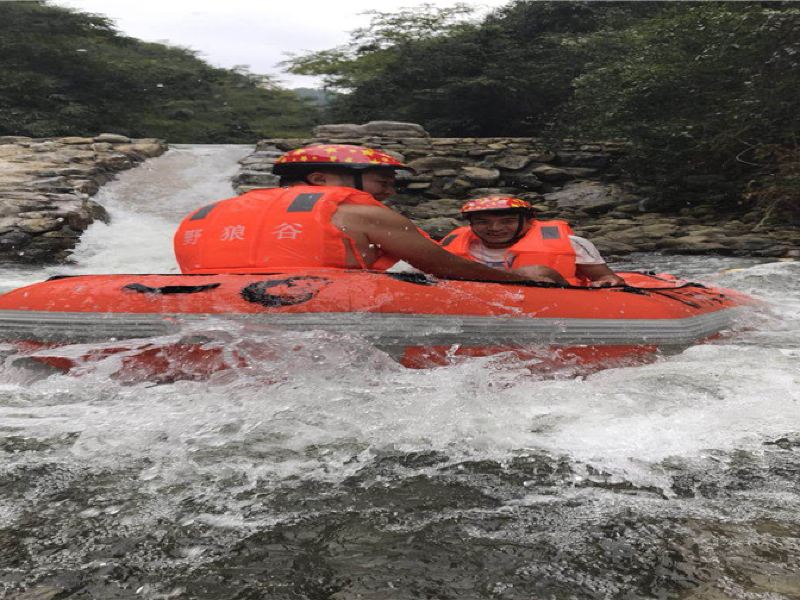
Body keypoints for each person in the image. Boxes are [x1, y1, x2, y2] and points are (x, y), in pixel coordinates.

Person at [174, 144, 561, 284]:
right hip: (315, 309)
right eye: (380, 180)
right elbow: (446, 267)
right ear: (319, 178)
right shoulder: (354, 210)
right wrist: (520, 279)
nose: (389, 190)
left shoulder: (210, 209)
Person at [439, 196, 626, 287]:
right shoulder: (451, 246)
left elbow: (608, 279)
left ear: (529, 221)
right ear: (471, 224)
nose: (494, 229)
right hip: (480, 306)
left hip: (556, 304)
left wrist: (607, 283)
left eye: (508, 221)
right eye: (482, 222)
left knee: (536, 272)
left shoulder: (573, 243)